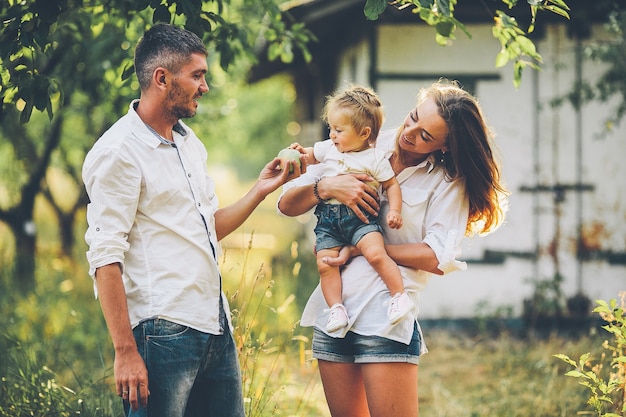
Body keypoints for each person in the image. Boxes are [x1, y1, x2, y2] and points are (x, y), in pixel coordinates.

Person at [82, 23, 301, 417]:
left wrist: (260, 189)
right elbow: (104, 256)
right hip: (161, 332)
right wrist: (125, 351)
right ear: (162, 78)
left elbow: (206, 229)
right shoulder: (119, 152)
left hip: (213, 325)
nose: (205, 86)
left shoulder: (188, 142)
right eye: (197, 75)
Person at [278, 79, 509, 417]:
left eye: (425, 136)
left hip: (384, 318)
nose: (409, 133)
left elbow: (435, 257)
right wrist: (326, 186)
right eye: (413, 117)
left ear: (445, 147)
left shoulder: (448, 183)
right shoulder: (360, 141)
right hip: (334, 314)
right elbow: (286, 204)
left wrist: (361, 250)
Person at [288, 84, 413, 333]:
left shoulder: (375, 159)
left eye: (339, 130)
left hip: (362, 220)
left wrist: (395, 211)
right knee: (325, 264)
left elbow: (391, 185)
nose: (332, 135)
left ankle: (398, 296)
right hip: (329, 222)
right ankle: (336, 308)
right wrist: (300, 154)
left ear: (364, 133)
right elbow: (311, 155)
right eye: (331, 129)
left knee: (376, 254)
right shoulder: (329, 148)